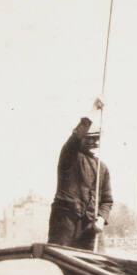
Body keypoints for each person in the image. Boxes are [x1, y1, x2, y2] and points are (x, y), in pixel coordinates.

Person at [48, 100, 113, 251]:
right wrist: (94, 110)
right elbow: (76, 135)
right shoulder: (69, 156)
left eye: (96, 139)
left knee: (93, 267)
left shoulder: (102, 168)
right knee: (60, 262)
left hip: (90, 228)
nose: (93, 142)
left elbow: (107, 201)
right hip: (65, 224)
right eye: (89, 138)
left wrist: (101, 219)